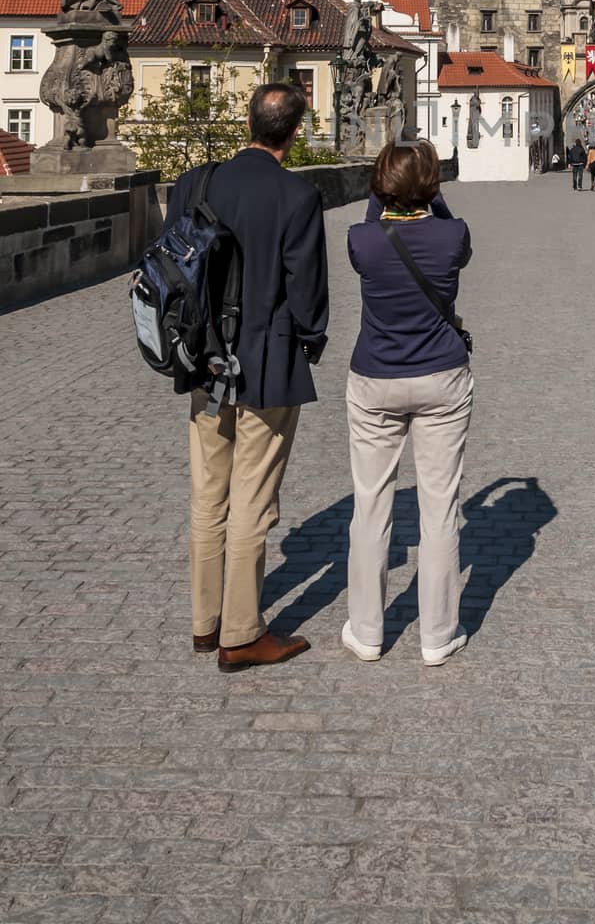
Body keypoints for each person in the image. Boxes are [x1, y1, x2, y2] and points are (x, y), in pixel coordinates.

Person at [166, 83, 329, 674]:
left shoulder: (196, 182)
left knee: (209, 497)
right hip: (267, 365)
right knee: (252, 504)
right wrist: (312, 342)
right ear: (294, 131)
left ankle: (205, 624)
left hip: (203, 364)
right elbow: (307, 292)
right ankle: (241, 634)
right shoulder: (297, 194)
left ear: (249, 123)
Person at [344, 141, 473, 667]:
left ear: (379, 187)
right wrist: (431, 197)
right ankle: (437, 636)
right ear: (434, 186)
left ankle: (368, 631)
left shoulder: (362, 240)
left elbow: (376, 221)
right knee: (440, 507)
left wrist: (383, 196)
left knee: (371, 504)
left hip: (375, 378)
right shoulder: (453, 235)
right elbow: (447, 223)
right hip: (441, 376)